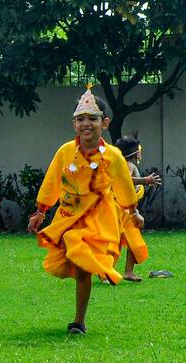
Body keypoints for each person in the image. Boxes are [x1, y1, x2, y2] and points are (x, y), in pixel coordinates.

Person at [28, 87, 142, 334]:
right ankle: (96, 273)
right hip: (68, 215)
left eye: (92, 118)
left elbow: (124, 186)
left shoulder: (113, 156)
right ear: (74, 124)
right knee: (74, 263)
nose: (86, 124)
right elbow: (51, 182)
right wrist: (40, 211)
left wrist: (133, 212)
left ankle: (79, 321)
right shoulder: (65, 151)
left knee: (79, 259)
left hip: (98, 219)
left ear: (105, 122)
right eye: (80, 119)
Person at [114, 133, 161, 282]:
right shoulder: (122, 165)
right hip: (119, 210)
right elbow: (126, 180)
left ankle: (128, 272)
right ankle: (105, 271)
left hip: (129, 210)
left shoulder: (129, 165)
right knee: (114, 242)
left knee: (134, 242)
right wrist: (145, 180)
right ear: (135, 152)